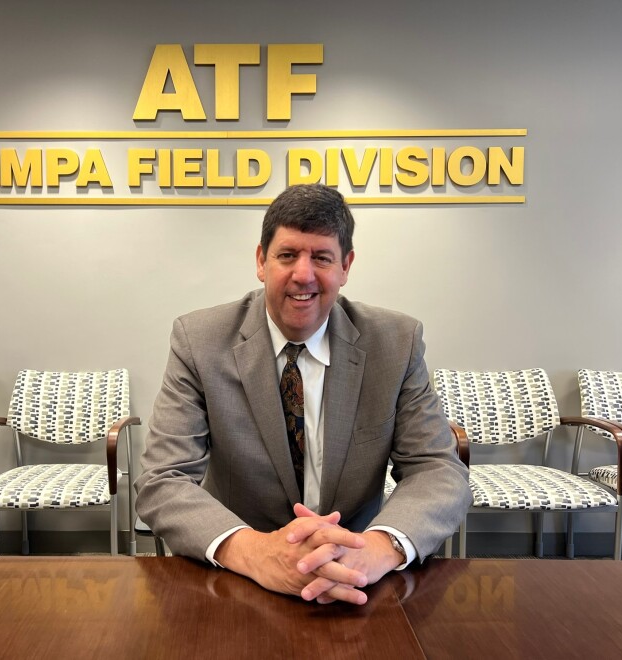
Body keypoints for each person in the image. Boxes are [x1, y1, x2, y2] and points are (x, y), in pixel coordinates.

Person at [135, 183, 470, 605]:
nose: (303, 274)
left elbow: (436, 469)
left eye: (322, 258)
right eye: (288, 255)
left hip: (356, 574)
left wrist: (379, 548)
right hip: (238, 578)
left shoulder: (395, 343)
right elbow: (162, 478)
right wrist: (254, 552)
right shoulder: (199, 341)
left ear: (346, 266)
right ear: (261, 261)